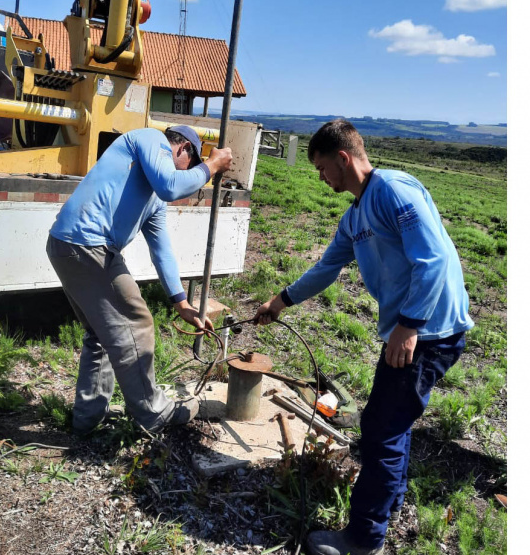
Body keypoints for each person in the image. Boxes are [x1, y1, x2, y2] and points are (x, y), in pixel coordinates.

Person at [254, 119, 474, 555]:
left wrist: (409, 326)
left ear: (343, 158)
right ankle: (389, 502)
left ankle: (363, 539)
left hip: (429, 330)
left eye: (321, 168)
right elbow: (325, 268)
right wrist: (280, 301)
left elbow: (432, 259)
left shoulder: (393, 191)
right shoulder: (354, 216)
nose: (319, 177)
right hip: (409, 330)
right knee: (391, 423)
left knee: (379, 432)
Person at [46, 125, 233, 434]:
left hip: (68, 246)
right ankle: (153, 412)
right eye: (192, 163)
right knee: (137, 321)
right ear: (183, 148)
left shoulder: (154, 199)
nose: (191, 172)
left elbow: (162, 251)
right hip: (87, 244)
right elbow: (173, 185)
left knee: (101, 334)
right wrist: (211, 166)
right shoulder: (149, 138)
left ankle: (88, 419)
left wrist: (181, 302)